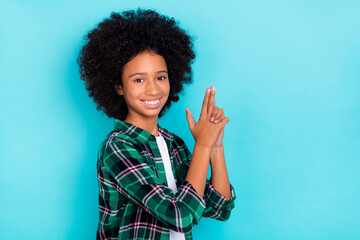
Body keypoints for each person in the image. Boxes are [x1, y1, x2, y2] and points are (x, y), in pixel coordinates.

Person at [77, 8, 236, 240]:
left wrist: (214, 147)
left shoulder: (174, 144)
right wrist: (201, 145)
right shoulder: (117, 147)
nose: (153, 89)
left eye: (160, 77)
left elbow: (218, 208)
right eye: (139, 79)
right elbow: (180, 216)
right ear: (119, 86)